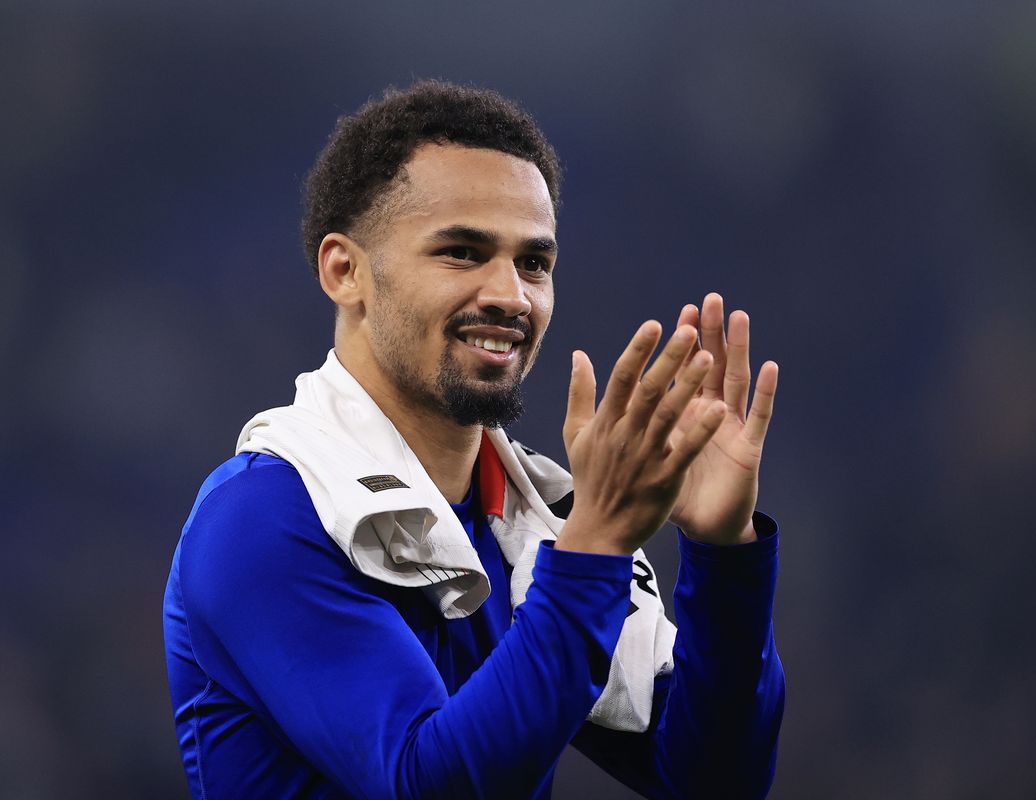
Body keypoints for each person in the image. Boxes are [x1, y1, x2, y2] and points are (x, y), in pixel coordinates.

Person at [163, 80, 784, 799]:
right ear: (345, 271)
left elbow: (717, 781)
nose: (511, 295)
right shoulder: (263, 518)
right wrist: (594, 549)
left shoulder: (531, 517)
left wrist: (722, 555)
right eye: (461, 252)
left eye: (534, 263)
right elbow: (429, 784)